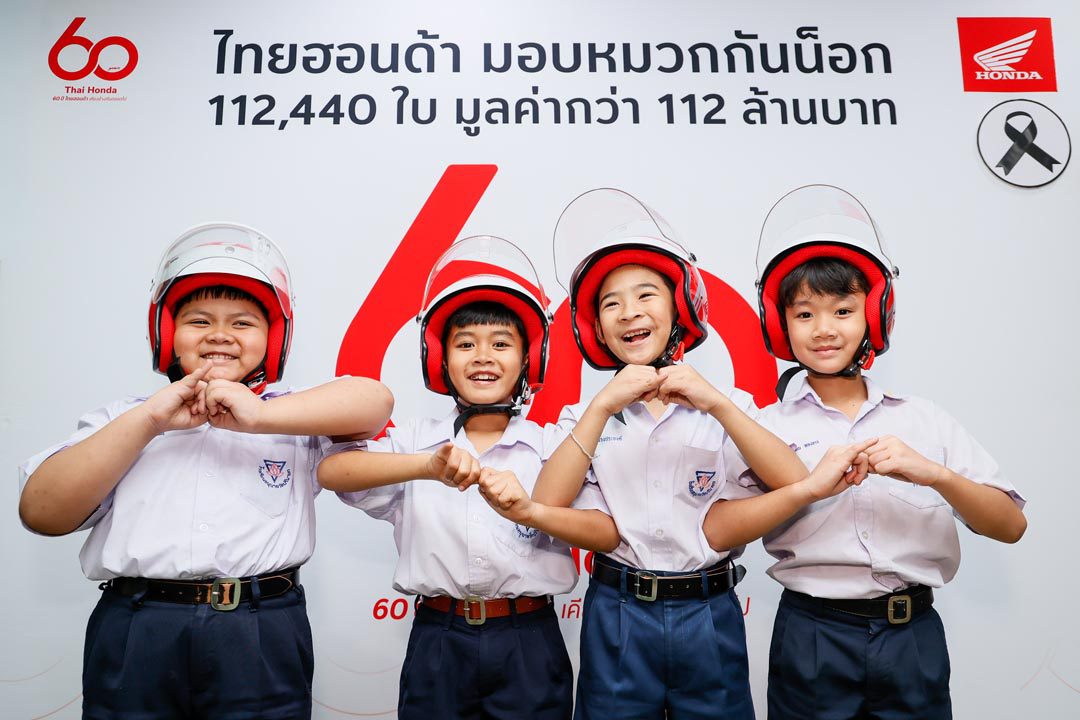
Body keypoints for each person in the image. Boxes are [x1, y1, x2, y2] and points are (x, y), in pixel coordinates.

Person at [19, 222, 393, 720]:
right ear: (166, 335)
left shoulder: (293, 415)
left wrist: (259, 416)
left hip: (260, 627)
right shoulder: (123, 418)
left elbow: (374, 400)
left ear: (273, 339)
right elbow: (42, 512)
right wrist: (149, 422)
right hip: (138, 625)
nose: (220, 334)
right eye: (198, 320)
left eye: (243, 323)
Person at [726, 185, 1027, 719]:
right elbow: (719, 530)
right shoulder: (764, 429)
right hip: (812, 634)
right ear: (779, 324)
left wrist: (933, 474)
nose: (824, 329)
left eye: (843, 310)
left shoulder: (923, 418)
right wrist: (804, 488)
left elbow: (1010, 526)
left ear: (874, 314)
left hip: (912, 637)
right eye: (804, 314)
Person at [534, 189, 809, 720]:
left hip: (708, 609)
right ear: (596, 328)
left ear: (680, 306)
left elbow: (794, 481)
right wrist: (600, 407)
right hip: (617, 611)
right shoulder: (581, 418)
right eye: (610, 303)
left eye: (646, 295)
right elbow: (545, 504)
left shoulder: (730, 406)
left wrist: (717, 403)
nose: (629, 312)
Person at [319, 236, 609, 720]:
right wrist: (426, 466)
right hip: (439, 638)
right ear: (440, 359)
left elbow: (603, 529)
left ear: (529, 359)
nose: (482, 356)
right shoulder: (417, 440)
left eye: (501, 344)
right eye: (465, 344)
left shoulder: (554, 446)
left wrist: (532, 510)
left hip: (529, 639)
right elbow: (334, 471)